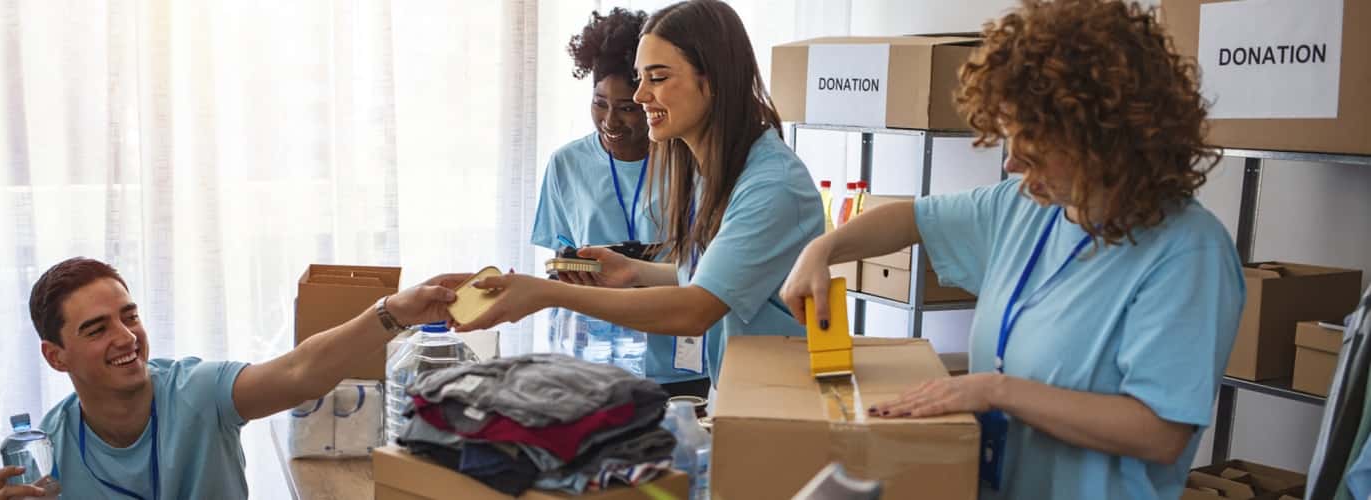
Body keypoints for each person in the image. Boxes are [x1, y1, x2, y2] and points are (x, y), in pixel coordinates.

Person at [779, 0, 1245, 498]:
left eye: (1034, 150)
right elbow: (910, 218)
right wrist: (824, 249)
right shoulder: (1027, 208)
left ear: (1104, 144)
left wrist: (995, 391)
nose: (1012, 167)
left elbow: (1158, 433)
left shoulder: (1188, 253)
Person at [458, 0, 823, 385]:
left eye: (658, 78)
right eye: (640, 78)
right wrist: (634, 271)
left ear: (713, 79)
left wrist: (546, 295)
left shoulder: (772, 186)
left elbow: (696, 309)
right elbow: (710, 277)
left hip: (779, 401)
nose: (640, 95)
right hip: (739, 393)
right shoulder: (708, 169)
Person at [0, 257, 467, 499]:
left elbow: (301, 371)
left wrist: (394, 312)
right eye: (96, 329)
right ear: (56, 357)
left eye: (129, 316)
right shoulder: (47, 451)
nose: (125, 337)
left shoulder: (196, 392)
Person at [532, 8, 710, 397]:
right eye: (600, 103)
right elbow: (561, 260)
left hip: (682, 365)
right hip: (594, 366)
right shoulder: (567, 165)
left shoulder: (689, 162)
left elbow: (711, 271)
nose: (611, 121)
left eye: (627, 107)